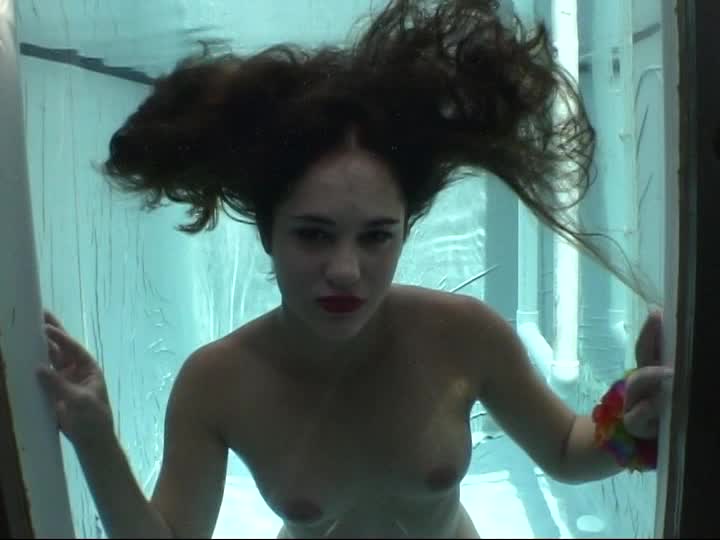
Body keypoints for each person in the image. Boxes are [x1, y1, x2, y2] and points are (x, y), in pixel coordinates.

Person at [36, 0, 673, 538]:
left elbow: (564, 451)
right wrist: (94, 438)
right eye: (313, 235)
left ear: (406, 230)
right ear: (267, 234)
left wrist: (636, 416)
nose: (345, 271)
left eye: (376, 236)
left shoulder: (466, 334)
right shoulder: (218, 383)